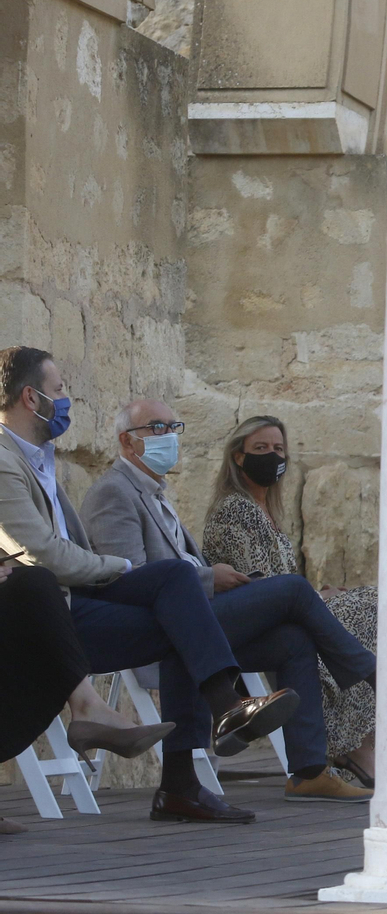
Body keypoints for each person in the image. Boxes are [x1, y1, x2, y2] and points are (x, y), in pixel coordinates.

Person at [0, 346, 299, 824]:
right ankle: (186, 777)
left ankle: (222, 718)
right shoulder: (4, 459)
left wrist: (115, 571)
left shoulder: (38, 459)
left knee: (176, 581)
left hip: (72, 597)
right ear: (31, 398)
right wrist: (117, 567)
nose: (67, 400)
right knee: (197, 610)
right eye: (59, 391)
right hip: (45, 614)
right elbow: (41, 554)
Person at [79, 399, 377, 804]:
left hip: (199, 620)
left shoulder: (155, 494)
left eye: (173, 426)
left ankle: (308, 772)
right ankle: (370, 674)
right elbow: (130, 577)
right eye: (156, 428)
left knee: (292, 638)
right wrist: (208, 577)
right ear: (127, 442)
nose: (169, 436)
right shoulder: (114, 492)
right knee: (292, 589)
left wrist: (218, 578)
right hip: (166, 626)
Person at [200, 415, 378, 788]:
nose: (272, 456)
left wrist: (318, 595)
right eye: (260, 449)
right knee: (365, 611)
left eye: (278, 449)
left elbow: (287, 586)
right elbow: (260, 585)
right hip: (253, 619)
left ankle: (354, 739)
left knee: (371, 604)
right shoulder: (236, 509)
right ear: (238, 457)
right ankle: (356, 732)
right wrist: (312, 596)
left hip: (290, 612)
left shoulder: (268, 512)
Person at [0, 563, 174, 835]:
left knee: (180, 610)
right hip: (79, 590)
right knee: (32, 583)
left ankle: (88, 707)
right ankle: (88, 709)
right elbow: (51, 553)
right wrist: (124, 565)